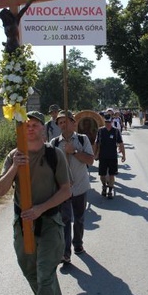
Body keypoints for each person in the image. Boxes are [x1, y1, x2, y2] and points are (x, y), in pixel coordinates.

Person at [0, 110, 71, 295]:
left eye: (36, 124)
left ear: (44, 129)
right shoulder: (13, 155)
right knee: (30, 270)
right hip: (23, 224)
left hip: (49, 222)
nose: (30, 128)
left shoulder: (54, 154)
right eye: (26, 124)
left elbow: (66, 190)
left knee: (45, 272)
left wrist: (41, 208)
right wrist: (15, 168)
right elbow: (0, 191)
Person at [50, 110, 94, 263]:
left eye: (65, 121)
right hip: (63, 190)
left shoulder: (82, 140)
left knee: (79, 219)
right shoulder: (54, 143)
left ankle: (78, 244)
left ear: (73, 123)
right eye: (60, 122)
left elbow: (90, 160)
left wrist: (73, 151)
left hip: (80, 187)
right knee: (65, 220)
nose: (62, 124)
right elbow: (50, 167)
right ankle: (65, 252)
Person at [94, 114, 126, 199]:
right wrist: (95, 154)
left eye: (109, 122)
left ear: (112, 122)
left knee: (112, 175)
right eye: (106, 122)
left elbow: (121, 143)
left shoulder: (115, 131)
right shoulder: (100, 131)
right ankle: (104, 185)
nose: (107, 123)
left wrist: (123, 155)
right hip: (102, 156)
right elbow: (96, 143)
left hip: (112, 156)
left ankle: (110, 191)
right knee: (102, 175)